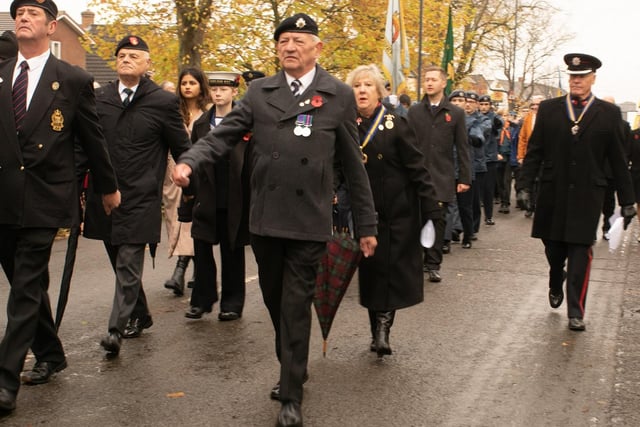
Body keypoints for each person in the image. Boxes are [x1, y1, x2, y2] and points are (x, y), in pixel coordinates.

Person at [172, 13, 377, 427]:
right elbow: (222, 135)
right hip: (265, 218)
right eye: (283, 40)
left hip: (309, 219)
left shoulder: (336, 94)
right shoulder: (259, 92)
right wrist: (190, 161)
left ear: (317, 48)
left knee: (296, 303)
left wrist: (367, 225)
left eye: (299, 40)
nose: (289, 47)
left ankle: (291, 395)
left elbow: (355, 166)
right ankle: (291, 362)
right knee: (272, 297)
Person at [0, 0, 120, 413]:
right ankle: (50, 352)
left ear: (52, 27)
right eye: (18, 13)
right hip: (3, 196)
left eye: (32, 14)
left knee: (25, 287)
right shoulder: (1, 74)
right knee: (23, 283)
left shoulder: (71, 78)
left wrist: (107, 187)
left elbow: (92, 138)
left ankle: (5, 380)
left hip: (45, 198)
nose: (23, 18)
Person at [83, 35, 192, 354]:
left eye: (134, 55)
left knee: (129, 258)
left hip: (142, 196)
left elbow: (181, 147)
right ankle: (141, 314)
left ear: (147, 64)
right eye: (122, 55)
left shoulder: (162, 101)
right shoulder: (98, 98)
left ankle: (115, 330)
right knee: (119, 259)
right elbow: (84, 144)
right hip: (104, 195)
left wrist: (185, 169)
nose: (126, 59)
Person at [519, 53, 636, 331]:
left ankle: (576, 311)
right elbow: (535, 152)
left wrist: (628, 200)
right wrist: (524, 186)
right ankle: (555, 275)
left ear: (592, 78)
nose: (576, 81)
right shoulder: (549, 109)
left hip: (588, 195)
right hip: (552, 191)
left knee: (581, 251)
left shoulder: (609, 114)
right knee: (554, 247)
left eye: (582, 77)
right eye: (572, 77)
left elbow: (619, 161)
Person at [346, 64, 438, 357]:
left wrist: (432, 207)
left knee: (390, 270)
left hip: (398, 210)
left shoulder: (396, 124)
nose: (361, 90)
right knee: (372, 270)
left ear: (379, 92)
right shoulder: (346, 125)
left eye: (367, 85)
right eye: (357, 86)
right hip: (364, 211)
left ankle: (383, 329)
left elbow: (417, 168)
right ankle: (376, 328)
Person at [184, 71, 250, 321]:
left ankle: (232, 302)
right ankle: (201, 299)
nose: (218, 94)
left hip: (235, 196)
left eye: (224, 90)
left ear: (234, 92)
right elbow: (193, 159)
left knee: (232, 251)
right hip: (206, 195)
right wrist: (187, 199)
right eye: (214, 90)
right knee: (201, 249)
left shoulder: (245, 123)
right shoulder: (201, 124)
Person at [407, 66, 471, 283]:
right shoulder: (415, 112)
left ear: (444, 83)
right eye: (426, 79)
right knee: (414, 220)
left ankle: (433, 264)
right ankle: (415, 263)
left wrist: (464, 178)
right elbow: (405, 143)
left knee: (437, 221)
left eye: (434, 79)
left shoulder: (455, 113)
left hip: (442, 176)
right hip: (416, 176)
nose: (429, 83)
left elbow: (463, 147)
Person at [161, 68, 211, 296]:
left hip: (200, 172)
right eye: (184, 83)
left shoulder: (209, 113)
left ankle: (180, 270)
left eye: (192, 82)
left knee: (191, 221)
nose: (188, 87)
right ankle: (196, 269)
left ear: (201, 86)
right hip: (173, 174)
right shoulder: (172, 112)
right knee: (176, 221)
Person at [464, 91, 492, 242]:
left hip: (477, 163)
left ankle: (473, 227)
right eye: (465, 101)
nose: (468, 104)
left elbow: (483, 133)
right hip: (461, 163)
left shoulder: (483, 120)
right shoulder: (458, 117)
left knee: (474, 198)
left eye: (471, 102)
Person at [516, 95, 544, 216]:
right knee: (530, 181)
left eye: (538, 104)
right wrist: (521, 156)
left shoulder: (550, 118)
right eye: (533, 105)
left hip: (545, 157)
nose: (535, 107)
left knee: (541, 182)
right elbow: (522, 138)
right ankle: (530, 207)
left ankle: (540, 205)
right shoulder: (528, 118)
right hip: (530, 156)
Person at [478, 94, 503, 225]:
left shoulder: (494, 117)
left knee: (488, 189)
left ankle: (488, 215)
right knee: (476, 191)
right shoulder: (475, 117)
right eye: (481, 104)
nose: (483, 107)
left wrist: (498, 121)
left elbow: (499, 124)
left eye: (486, 104)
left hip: (490, 158)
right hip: (476, 158)